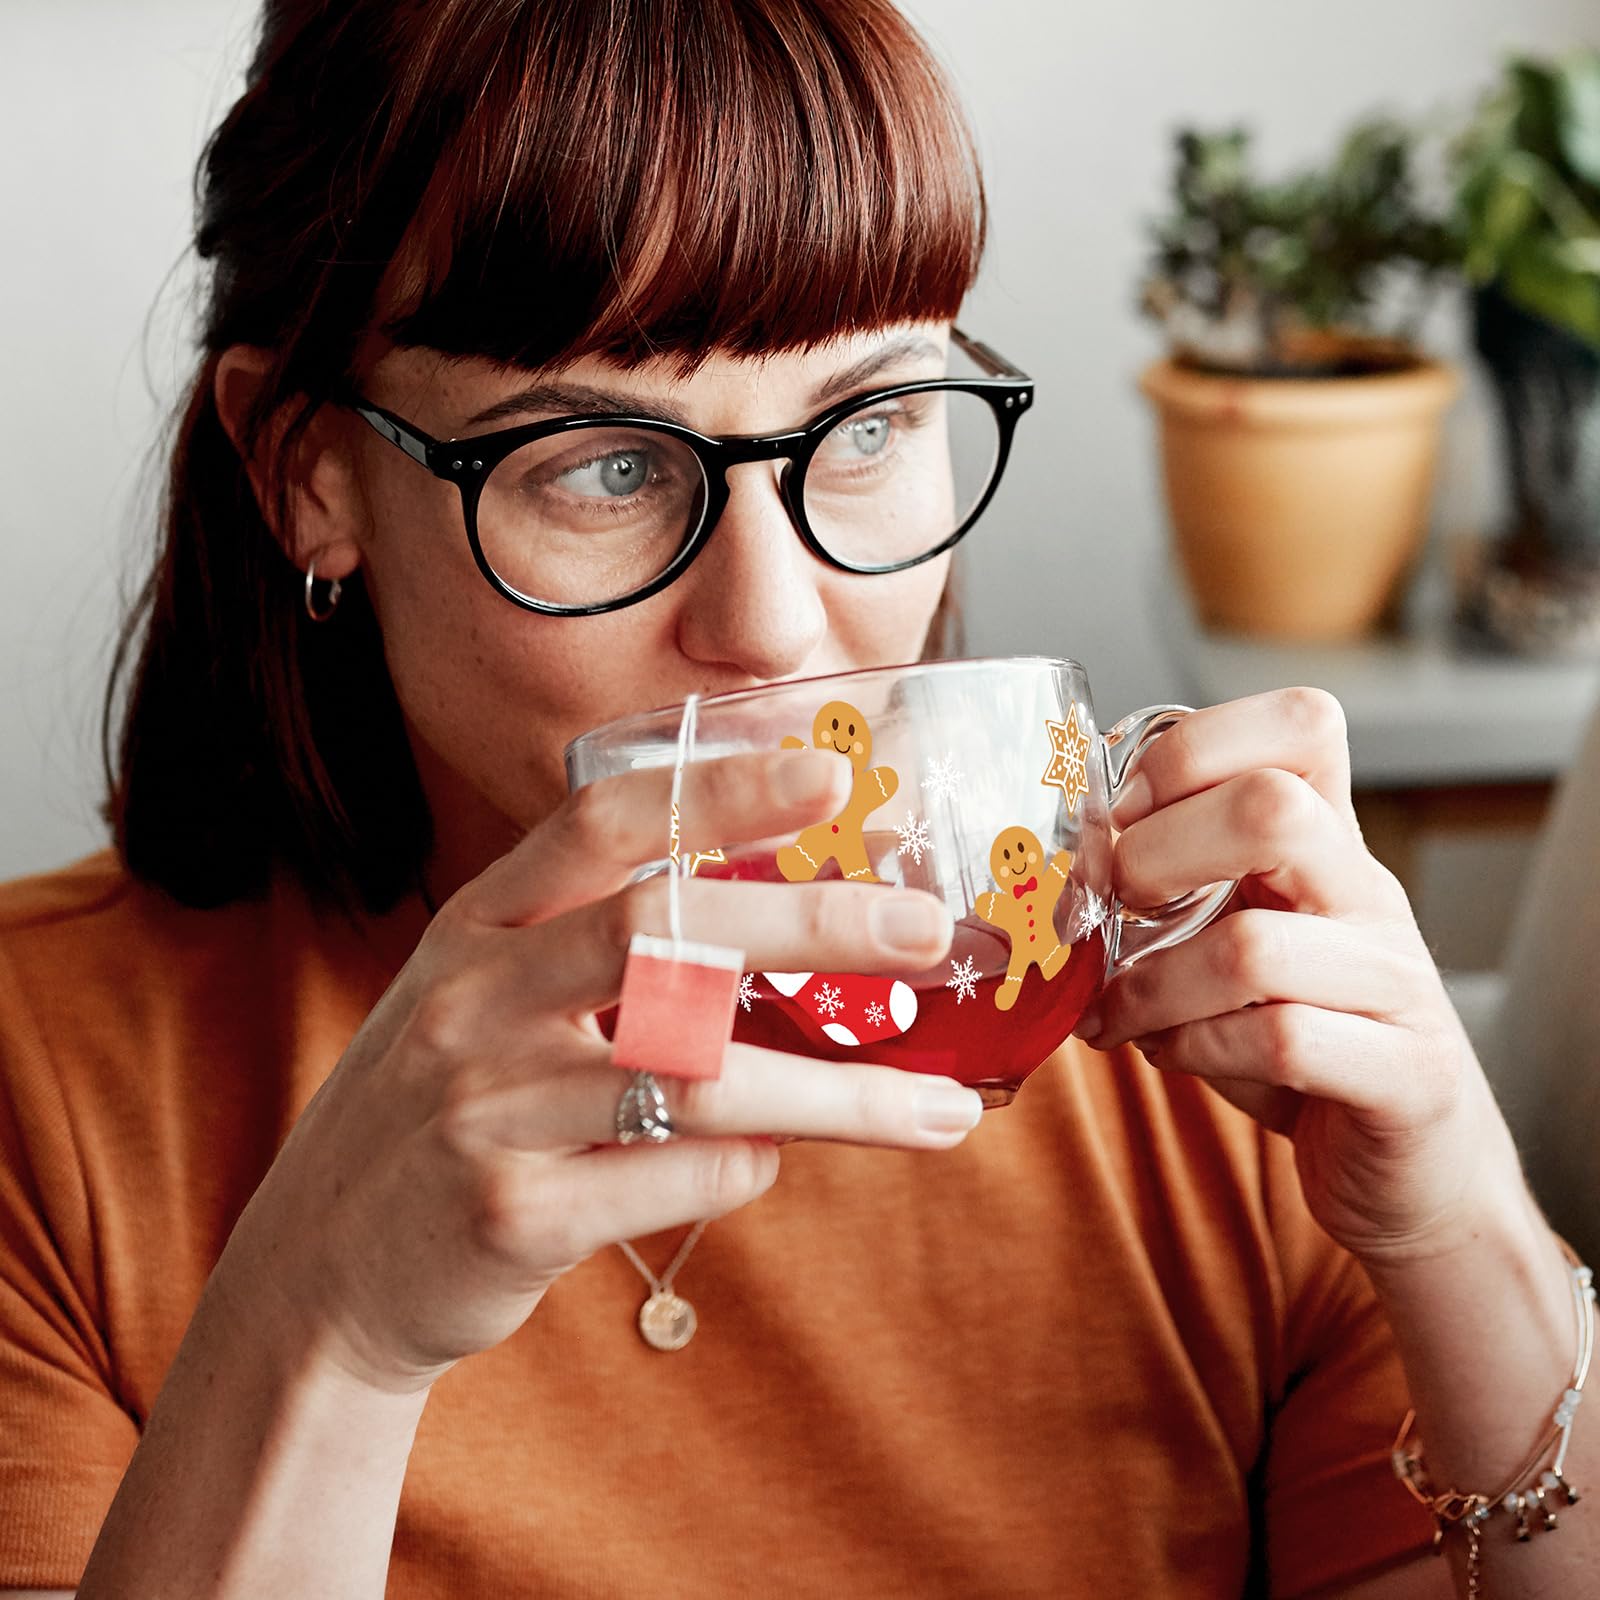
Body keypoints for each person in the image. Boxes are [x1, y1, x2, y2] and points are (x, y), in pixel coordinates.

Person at [0, 2, 1591, 1596]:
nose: (774, 620)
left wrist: (1462, 1234)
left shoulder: (1183, 1042)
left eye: (871, 421)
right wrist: (324, 1331)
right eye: (603, 464)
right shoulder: (48, 1103)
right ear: (308, 476)